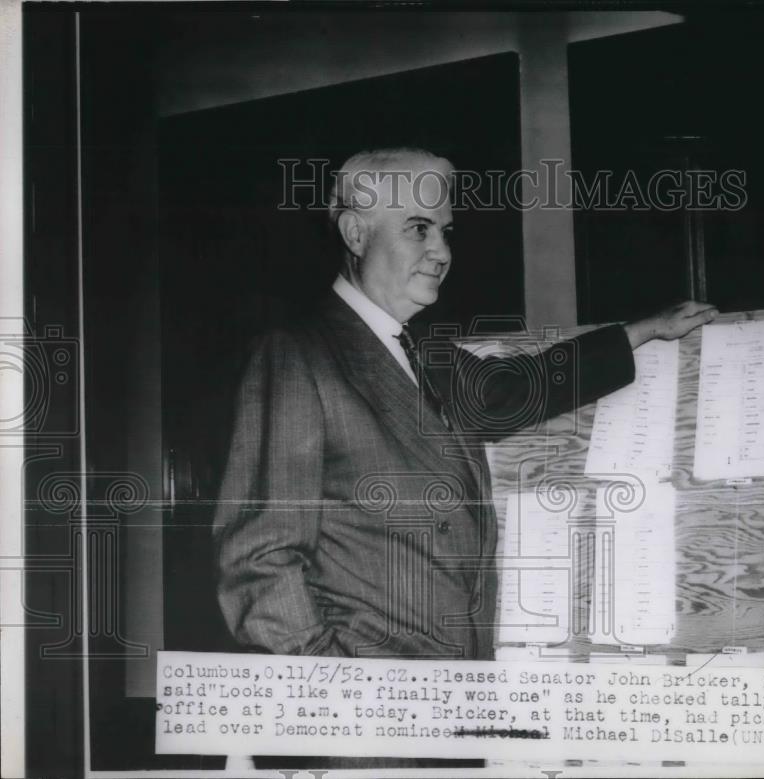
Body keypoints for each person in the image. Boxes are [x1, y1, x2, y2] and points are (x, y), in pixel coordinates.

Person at [212, 147, 717, 664]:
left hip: (456, 693)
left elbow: (514, 391)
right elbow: (259, 560)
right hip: (367, 717)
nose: (442, 252)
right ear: (356, 235)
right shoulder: (298, 355)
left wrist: (641, 332)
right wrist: (332, 690)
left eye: (445, 232)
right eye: (418, 229)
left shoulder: (424, 352)